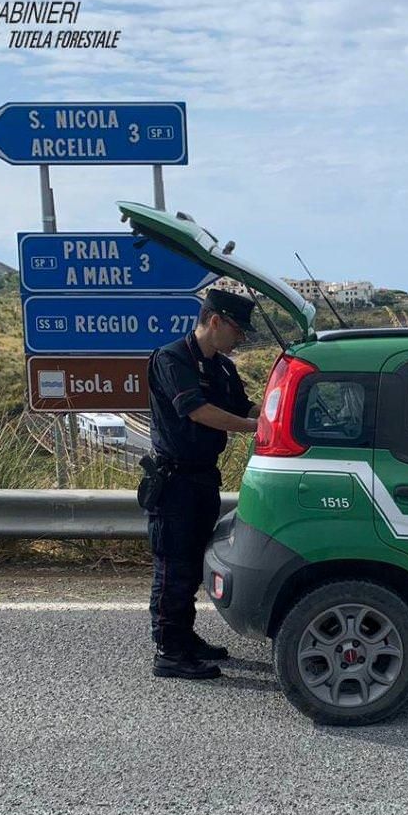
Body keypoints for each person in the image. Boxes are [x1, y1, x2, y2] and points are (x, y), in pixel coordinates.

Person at [143, 287, 261, 680]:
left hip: (203, 478)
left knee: (192, 564)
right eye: (236, 330)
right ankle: (169, 650)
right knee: (173, 565)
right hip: (174, 480)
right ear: (215, 321)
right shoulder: (172, 358)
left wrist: (281, 413)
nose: (240, 338)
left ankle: (185, 637)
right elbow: (196, 410)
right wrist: (251, 428)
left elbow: (244, 406)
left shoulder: (222, 367)